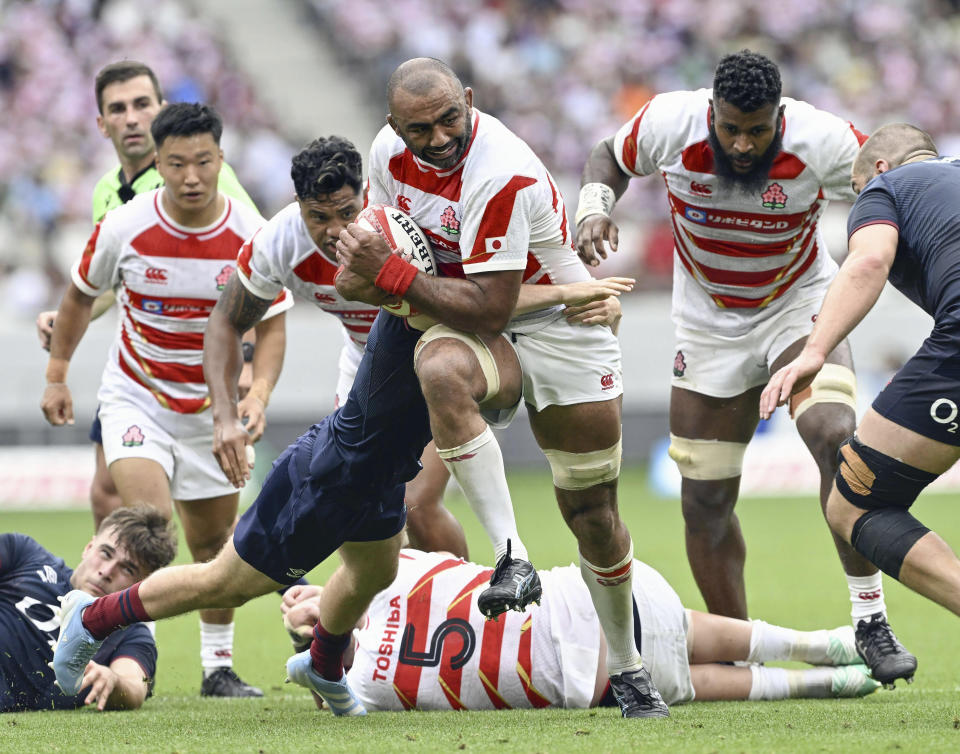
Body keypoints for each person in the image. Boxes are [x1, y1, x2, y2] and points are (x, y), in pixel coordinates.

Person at [49, 236, 630, 718]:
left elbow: (504, 318)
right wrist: (569, 293)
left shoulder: (462, 291)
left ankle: (324, 669)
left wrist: (585, 308)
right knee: (222, 582)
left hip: (381, 477)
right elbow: (490, 308)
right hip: (333, 476)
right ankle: (91, 619)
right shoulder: (418, 296)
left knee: (373, 570)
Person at [332, 57, 664, 718]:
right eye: (418, 128)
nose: (437, 138)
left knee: (593, 517)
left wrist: (393, 279)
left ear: (472, 102)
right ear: (393, 127)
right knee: (439, 374)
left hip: (565, 328)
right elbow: (364, 278)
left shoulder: (499, 170)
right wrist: (388, 277)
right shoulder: (384, 159)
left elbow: (479, 302)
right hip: (483, 324)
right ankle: (510, 558)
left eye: (449, 118)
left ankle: (628, 667)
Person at [574, 49, 914, 683]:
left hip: (801, 305)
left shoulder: (826, 139)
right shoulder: (668, 123)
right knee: (704, 499)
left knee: (835, 438)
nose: (742, 142)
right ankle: (737, 652)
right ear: (711, 112)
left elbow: (890, 184)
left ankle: (870, 619)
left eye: (758, 129)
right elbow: (609, 157)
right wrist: (596, 204)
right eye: (730, 127)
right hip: (707, 328)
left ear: (780, 116)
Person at [41, 102, 290, 698]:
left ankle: (216, 670)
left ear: (221, 159)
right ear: (158, 162)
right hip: (136, 398)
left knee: (213, 544)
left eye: (203, 162)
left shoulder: (247, 235)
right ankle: (91, 654)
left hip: (214, 414)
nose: (191, 177)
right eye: (176, 164)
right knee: (147, 531)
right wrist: (56, 373)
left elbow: (274, 323)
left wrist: (257, 393)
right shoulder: (125, 226)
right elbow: (79, 296)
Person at [760, 124, 960, 686]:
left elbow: (869, 262)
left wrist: (814, 351)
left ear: (877, 169)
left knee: (854, 505)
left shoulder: (886, 190)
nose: (855, 196)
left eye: (852, 186)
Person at [34, 60, 258, 531]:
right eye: (118, 109)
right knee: (109, 497)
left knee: (204, 531)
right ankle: (111, 593)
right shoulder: (107, 194)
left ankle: (270, 584)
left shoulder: (204, 182)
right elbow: (108, 285)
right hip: (139, 376)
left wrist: (250, 362)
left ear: (161, 113)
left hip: (205, 381)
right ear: (101, 124)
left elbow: (254, 270)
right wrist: (69, 319)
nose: (132, 118)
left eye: (142, 105)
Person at [281, 548, 879, 712]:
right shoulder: (397, 574)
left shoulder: (367, 691)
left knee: (692, 680)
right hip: (577, 607)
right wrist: (329, 596)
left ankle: (821, 681)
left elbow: (331, 686)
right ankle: (822, 646)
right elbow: (381, 566)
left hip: (573, 681)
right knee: (697, 634)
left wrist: (318, 643)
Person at [1, 507, 177, 712]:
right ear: (89, 547)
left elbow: (134, 686)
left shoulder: (132, 636)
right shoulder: (24, 556)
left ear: (142, 585)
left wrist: (112, 680)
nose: (107, 571)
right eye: (105, 553)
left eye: (127, 569)